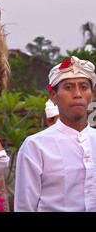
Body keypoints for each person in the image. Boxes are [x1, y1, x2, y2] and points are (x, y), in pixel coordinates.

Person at [14, 56, 96, 212]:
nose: (77, 94)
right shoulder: (35, 146)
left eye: (84, 87)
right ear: (53, 96)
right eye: (69, 87)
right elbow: (25, 206)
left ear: (92, 94)